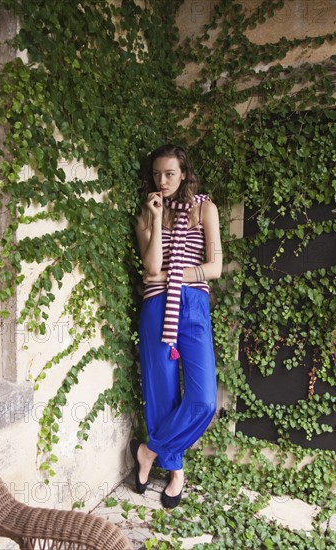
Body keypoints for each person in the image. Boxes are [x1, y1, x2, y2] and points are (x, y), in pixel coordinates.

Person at [130, 144, 222, 508]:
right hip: (156, 309)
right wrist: (155, 219)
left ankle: (149, 451)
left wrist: (173, 277)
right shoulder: (146, 215)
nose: (162, 180)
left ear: (184, 173)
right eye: (156, 174)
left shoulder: (205, 208)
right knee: (162, 395)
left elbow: (214, 268)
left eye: (170, 173)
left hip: (193, 306)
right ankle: (176, 471)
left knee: (204, 400)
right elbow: (152, 268)